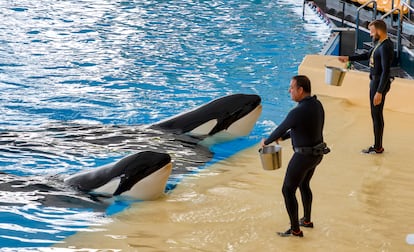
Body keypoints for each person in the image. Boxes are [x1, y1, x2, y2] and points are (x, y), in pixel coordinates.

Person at [261, 75, 329, 237]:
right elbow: (302, 128)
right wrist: (283, 138)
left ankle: (295, 230)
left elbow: (281, 128)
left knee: (287, 190)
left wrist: (267, 141)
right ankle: (306, 220)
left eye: (292, 87)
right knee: (304, 185)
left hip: (303, 157)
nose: (289, 90)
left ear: (300, 90)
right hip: (316, 155)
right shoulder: (316, 104)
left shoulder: (297, 111)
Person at [338, 19, 394, 154]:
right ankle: (377, 145)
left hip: (379, 83)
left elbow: (386, 71)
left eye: (372, 31)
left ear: (379, 31)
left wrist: (379, 92)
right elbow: (367, 55)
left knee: (377, 115)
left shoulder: (386, 46)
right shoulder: (379, 44)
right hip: (375, 82)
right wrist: (349, 58)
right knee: (375, 114)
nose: (370, 34)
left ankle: (378, 147)